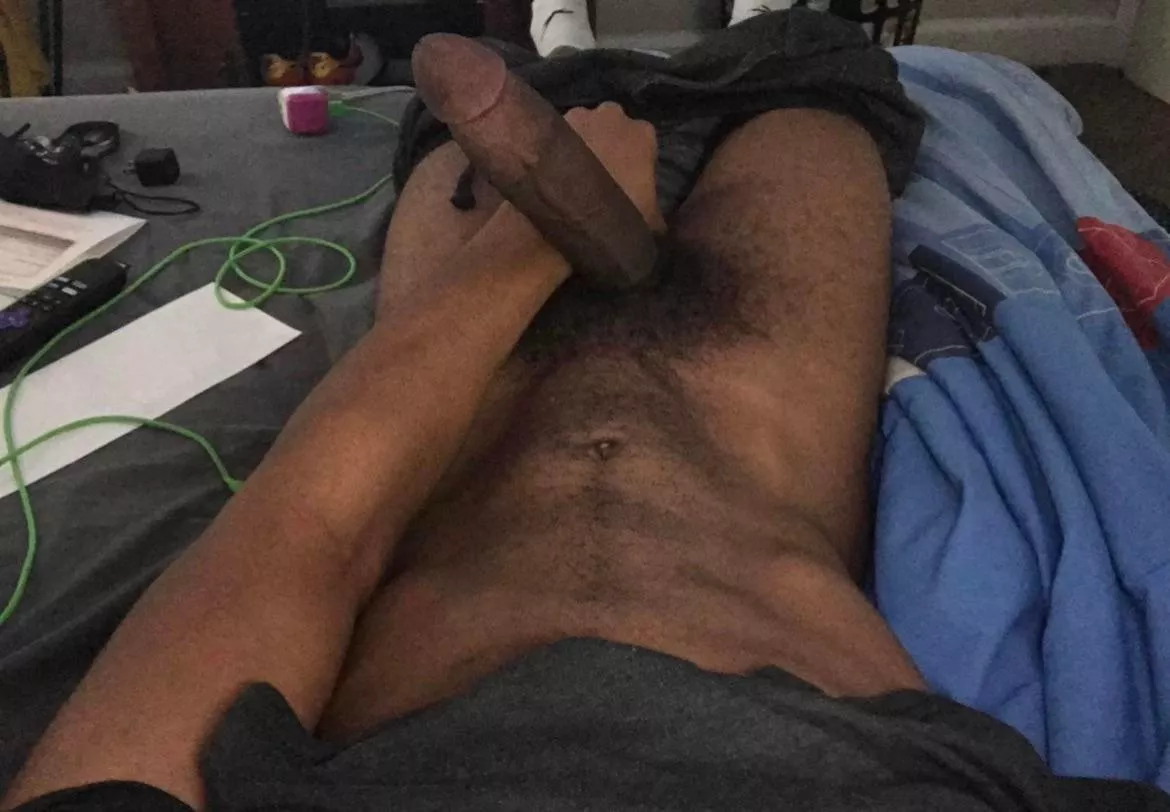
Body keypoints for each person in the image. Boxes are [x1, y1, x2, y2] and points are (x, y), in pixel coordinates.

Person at [4, 3, 1169, 810]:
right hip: (746, 433)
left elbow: (304, 531)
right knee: (811, 77)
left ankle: (566, 43)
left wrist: (517, 255)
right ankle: (703, 33)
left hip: (461, 438)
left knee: (496, 116)